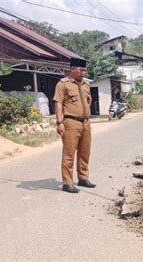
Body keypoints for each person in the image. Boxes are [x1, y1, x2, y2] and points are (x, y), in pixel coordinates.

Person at [53, 58, 96, 193]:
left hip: (85, 123)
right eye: (81, 70)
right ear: (72, 70)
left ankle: (83, 178)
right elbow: (58, 103)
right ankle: (67, 182)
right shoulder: (63, 84)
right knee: (69, 153)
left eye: (84, 70)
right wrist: (60, 122)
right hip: (70, 122)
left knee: (85, 152)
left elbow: (88, 101)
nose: (83, 73)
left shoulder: (85, 85)